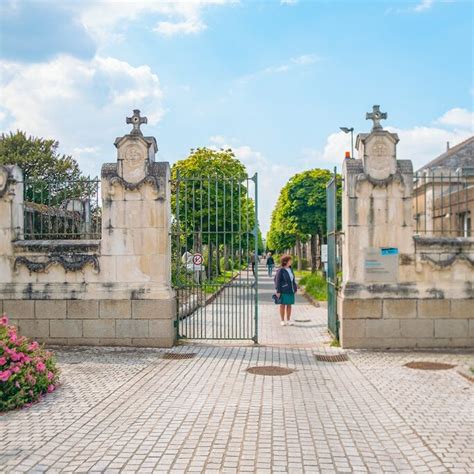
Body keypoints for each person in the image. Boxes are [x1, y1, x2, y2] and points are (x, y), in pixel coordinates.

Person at [274, 254, 297, 326]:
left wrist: (295, 288)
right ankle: (282, 320)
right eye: (290, 260)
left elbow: (293, 280)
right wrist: (278, 291)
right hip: (283, 290)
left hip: (291, 290)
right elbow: (277, 281)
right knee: (283, 305)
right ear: (285, 261)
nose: (291, 261)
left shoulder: (290, 269)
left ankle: (288, 320)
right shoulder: (281, 270)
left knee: (289, 305)